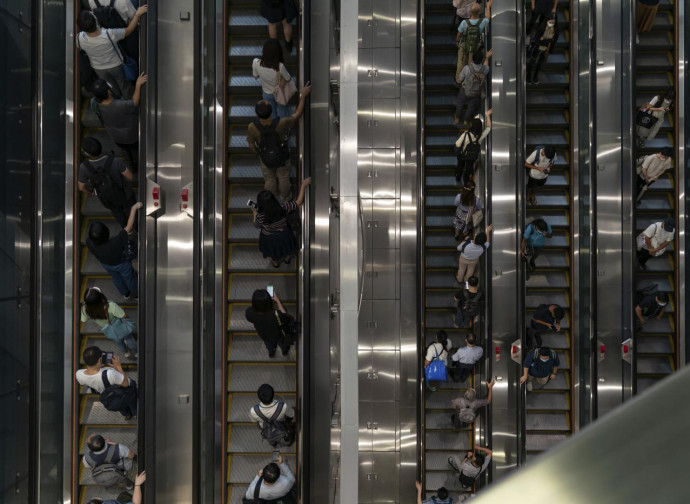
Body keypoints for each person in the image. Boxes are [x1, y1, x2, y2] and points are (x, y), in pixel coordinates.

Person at [246, 84, 311, 201]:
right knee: (283, 177)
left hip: (265, 157)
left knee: (269, 179)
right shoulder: (282, 122)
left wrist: (258, 153)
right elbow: (297, 114)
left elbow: (251, 144)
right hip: (282, 155)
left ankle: (271, 199)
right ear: (271, 111)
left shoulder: (252, 127)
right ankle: (286, 197)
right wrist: (303, 96)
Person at [76, 5, 147, 99]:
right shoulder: (109, 34)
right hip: (116, 65)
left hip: (98, 69)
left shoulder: (79, 39)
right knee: (123, 84)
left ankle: (117, 98)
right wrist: (137, 14)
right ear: (95, 19)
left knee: (112, 86)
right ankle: (129, 100)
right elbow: (129, 30)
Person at [78, 136, 136, 229]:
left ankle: (127, 230)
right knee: (132, 209)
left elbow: (81, 187)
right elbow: (130, 177)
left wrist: (91, 192)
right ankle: (137, 225)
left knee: (118, 213)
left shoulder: (84, 167)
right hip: (125, 193)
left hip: (108, 198)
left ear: (87, 154)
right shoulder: (114, 160)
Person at [86, 203, 142, 300]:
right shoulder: (116, 242)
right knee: (129, 278)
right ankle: (136, 294)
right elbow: (129, 225)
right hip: (122, 264)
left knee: (116, 278)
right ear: (106, 233)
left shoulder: (89, 243)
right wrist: (134, 208)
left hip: (106, 264)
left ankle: (126, 294)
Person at [91, 73, 147, 170]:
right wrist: (138, 85)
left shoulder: (94, 103)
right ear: (109, 91)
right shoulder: (120, 105)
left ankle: (131, 165)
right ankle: (140, 163)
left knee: (125, 150)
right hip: (131, 136)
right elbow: (135, 102)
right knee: (136, 148)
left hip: (115, 137)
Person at [252, 179, 310, 267]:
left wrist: (254, 213)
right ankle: (287, 259)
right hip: (284, 235)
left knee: (272, 253)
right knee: (287, 248)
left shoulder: (260, 216)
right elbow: (298, 202)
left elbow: (256, 225)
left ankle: (275, 263)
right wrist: (303, 186)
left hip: (269, 238)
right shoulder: (283, 207)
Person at [76, 346, 137, 419]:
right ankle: (135, 412)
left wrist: (99, 367)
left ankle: (127, 414)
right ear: (100, 360)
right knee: (131, 399)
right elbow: (126, 383)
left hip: (109, 395)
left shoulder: (79, 374)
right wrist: (118, 367)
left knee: (119, 403)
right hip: (121, 390)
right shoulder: (110, 373)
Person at [82, 287, 138, 358]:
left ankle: (126, 353)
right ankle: (135, 353)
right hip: (119, 325)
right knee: (129, 339)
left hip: (108, 329)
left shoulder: (85, 308)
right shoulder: (111, 305)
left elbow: (83, 320)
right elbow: (123, 316)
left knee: (118, 342)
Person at [245, 288, 296, 358]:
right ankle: (285, 351)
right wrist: (277, 301)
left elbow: (251, 319)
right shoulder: (276, 314)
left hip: (264, 335)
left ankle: (271, 352)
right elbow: (285, 316)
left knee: (269, 345)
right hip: (279, 335)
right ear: (269, 302)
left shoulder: (249, 313)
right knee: (283, 344)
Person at [253, 39, 293, 119]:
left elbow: (256, 76)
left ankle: (274, 127)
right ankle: (284, 128)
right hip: (279, 92)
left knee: (271, 112)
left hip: (266, 93)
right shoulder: (280, 66)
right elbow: (288, 79)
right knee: (283, 111)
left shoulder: (255, 62)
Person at [455, 1, 492, 82]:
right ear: (479, 12)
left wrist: (457, 41)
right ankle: (470, 79)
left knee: (461, 61)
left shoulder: (464, 22)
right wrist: (488, 6)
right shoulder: (482, 22)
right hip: (475, 45)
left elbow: (459, 34)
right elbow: (488, 17)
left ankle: (458, 80)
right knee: (471, 63)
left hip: (464, 44)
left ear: (470, 12)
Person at [454, 50, 492, 125]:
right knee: (471, 107)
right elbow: (486, 67)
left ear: (472, 59)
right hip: (476, 92)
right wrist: (487, 57)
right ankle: (466, 121)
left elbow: (460, 78)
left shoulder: (467, 68)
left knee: (460, 104)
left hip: (465, 90)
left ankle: (457, 118)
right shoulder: (485, 69)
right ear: (481, 60)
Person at [454, 109, 492, 185]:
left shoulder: (466, 134)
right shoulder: (480, 136)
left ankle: (458, 178)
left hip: (462, 155)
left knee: (460, 166)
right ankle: (466, 182)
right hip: (472, 156)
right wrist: (487, 115)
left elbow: (457, 144)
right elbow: (488, 128)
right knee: (469, 168)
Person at [526, 15, 558, 85]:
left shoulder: (555, 30)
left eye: (553, 22)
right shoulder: (542, 27)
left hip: (545, 49)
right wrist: (548, 40)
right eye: (550, 22)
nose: (551, 23)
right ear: (547, 21)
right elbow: (538, 39)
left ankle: (535, 77)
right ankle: (528, 77)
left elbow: (553, 41)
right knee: (532, 62)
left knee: (539, 64)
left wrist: (544, 39)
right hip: (537, 48)